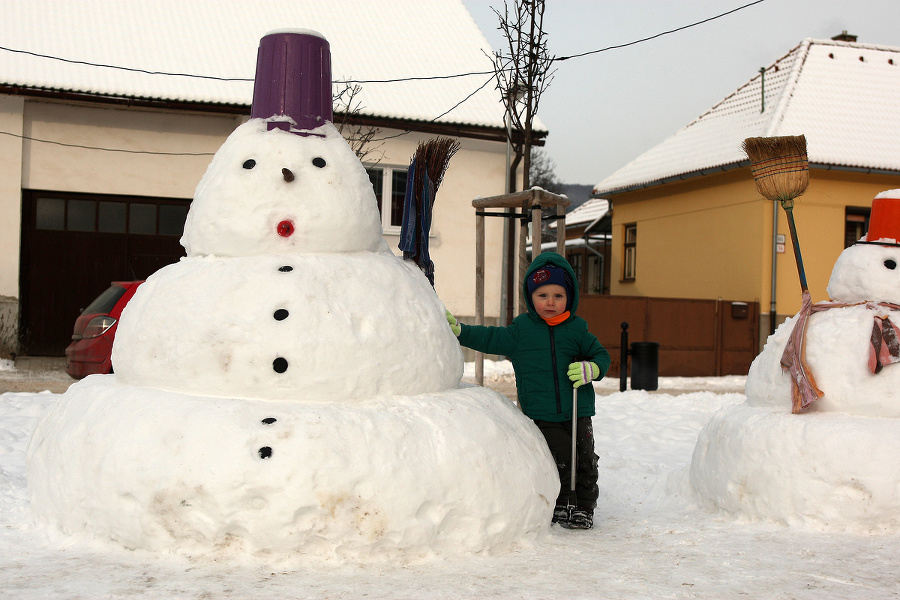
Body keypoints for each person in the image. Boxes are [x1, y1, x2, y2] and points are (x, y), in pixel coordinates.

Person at [445, 251, 610, 529]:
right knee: (558, 458)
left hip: (576, 408)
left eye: (558, 296)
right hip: (542, 411)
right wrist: (462, 331)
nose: (550, 302)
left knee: (584, 458)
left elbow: (601, 356)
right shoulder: (522, 330)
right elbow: (492, 337)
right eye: (542, 295)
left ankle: (584, 506)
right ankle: (560, 503)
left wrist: (591, 369)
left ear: (569, 297)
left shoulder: (577, 330)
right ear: (531, 297)